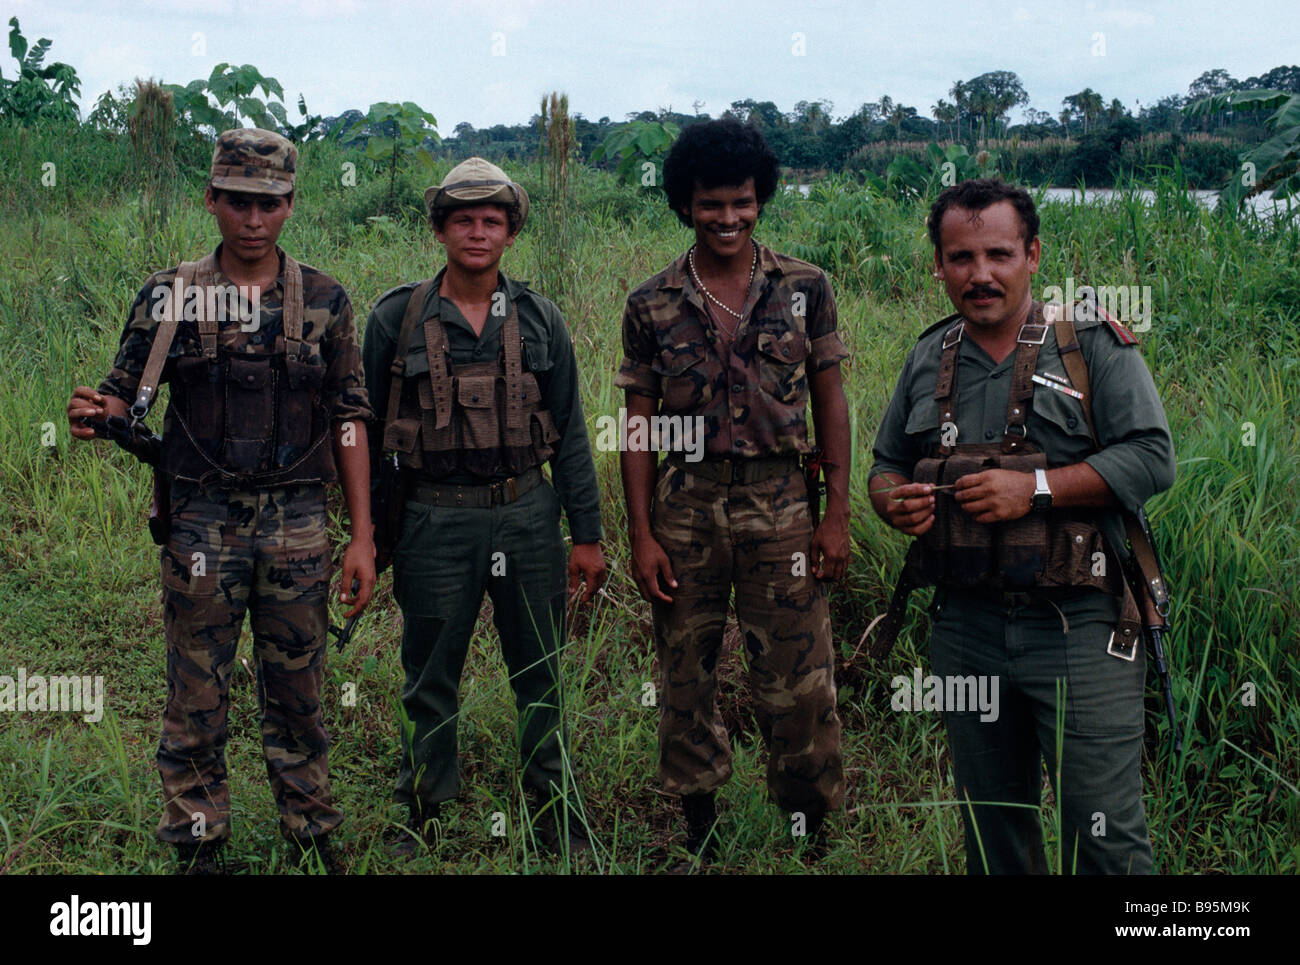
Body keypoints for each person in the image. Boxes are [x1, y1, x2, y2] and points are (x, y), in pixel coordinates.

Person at [66, 128, 375, 875]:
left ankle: (311, 829)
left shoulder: (326, 299)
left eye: (269, 202)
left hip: (298, 519)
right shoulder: (169, 295)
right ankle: (199, 841)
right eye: (238, 200)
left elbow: (349, 414)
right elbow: (124, 391)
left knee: (299, 686)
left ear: (291, 206)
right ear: (211, 200)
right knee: (197, 687)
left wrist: (361, 533)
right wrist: (97, 412)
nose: (253, 217)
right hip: (203, 517)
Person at [868, 178, 1176, 874]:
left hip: (1081, 627)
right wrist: (892, 501)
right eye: (961, 257)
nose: (981, 274)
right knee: (993, 833)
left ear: (1033, 255)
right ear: (939, 266)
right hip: (966, 627)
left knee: (1104, 837)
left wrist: (1034, 487)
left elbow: (1153, 458)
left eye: (1000, 254)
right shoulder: (928, 356)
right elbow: (886, 463)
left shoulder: (1089, 343)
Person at [615, 118, 850, 860]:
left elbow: (831, 402)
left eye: (741, 203)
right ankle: (699, 826)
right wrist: (641, 533)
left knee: (800, 678)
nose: (727, 218)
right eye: (710, 203)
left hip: (781, 504)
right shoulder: (651, 302)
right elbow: (638, 424)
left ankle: (808, 825)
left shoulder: (807, 287)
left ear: (761, 200)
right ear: (685, 203)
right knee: (685, 670)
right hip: (686, 507)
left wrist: (835, 512)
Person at [362, 157, 607, 855]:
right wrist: (369, 535)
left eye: (491, 220)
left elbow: (572, 433)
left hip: (527, 513)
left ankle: (555, 807)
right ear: (440, 229)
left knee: (540, 672)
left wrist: (585, 534)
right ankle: (423, 804)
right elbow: (361, 429)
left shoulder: (539, 318)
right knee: (429, 671)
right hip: (432, 519)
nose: (477, 231)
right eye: (463, 218)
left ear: (510, 231)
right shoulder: (395, 317)